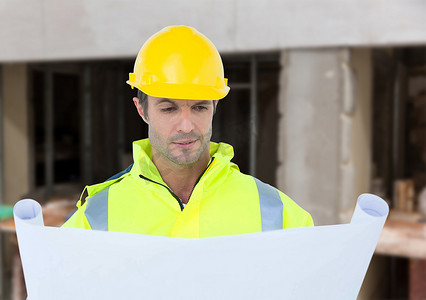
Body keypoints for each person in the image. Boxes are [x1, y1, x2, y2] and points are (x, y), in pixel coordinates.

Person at [63, 25, 313, 237]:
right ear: (142, 110)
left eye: (199, 107)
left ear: (215, 107)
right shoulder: (96, 216)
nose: (186, 126)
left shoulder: (274, 211)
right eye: (169, 109)